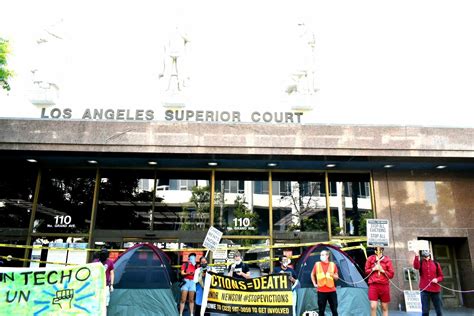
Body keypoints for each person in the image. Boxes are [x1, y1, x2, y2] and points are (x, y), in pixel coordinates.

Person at [364, 247, 395, 316]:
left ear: (382, 250)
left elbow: (391, 275)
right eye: (376, 248)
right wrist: (373, 269)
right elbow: (366, 271)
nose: (377, 250)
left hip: (384, 285)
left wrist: (383, 271)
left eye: (379, 249)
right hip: (373, 285)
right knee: (373, 306)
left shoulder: (387, 260)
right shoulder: (370, 259)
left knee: (384, 307)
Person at [413, 249, 444, 316]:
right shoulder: (421, 262)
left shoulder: (436, 263)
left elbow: (441, 276)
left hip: (435, 290)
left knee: (438, 310)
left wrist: (437, 279)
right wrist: (416, 255)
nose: (426, 257)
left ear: (429, 255)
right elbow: (416, 266)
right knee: (425, 310)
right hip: (424, 289)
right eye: (424, 256)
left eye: (427, 256)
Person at [311, 249, 339, 316]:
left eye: (323, 255)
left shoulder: (333, 265)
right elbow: (312, 274)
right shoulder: (317, 264)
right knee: (321, 310)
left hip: (332, 290)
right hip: (321, 291)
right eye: (321, 255)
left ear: (327, 256)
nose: (321, 256)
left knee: (334, 309)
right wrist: (314, 283)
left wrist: (333, 275)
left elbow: (337, 277)